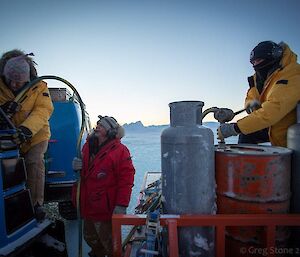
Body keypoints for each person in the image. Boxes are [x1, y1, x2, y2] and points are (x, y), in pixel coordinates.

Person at [0, 49, 54, 220]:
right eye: (12, 81)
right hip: (8, 137)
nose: (16, 85)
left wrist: (26, 130)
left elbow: (43, 110)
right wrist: (3, 110)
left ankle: (35, 205)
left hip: (35, 135)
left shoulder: (39, 87)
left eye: (19, 82)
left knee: (34, 162)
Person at [72, 115, 135, 257]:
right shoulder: (88, 146)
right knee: (91, 238)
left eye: (102, 125)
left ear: (110, 131)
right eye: (98, 124)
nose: (97, 126)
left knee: (110, 243)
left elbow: (126, 180)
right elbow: (84, 172)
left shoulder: (120, 151)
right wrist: (77, 167)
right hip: (87, 204)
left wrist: (121, 205)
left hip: (104, 209)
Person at [217, 41, 300, 147]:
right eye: (253, 63)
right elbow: (252, 95)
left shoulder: (292, 75)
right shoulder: (261, 78)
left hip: (292, 135)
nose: (256, 65)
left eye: (259, 60)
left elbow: (274, 109)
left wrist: (236, 128)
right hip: (273, 128)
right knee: (247, 134)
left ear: (275, 55)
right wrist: (251, 103)